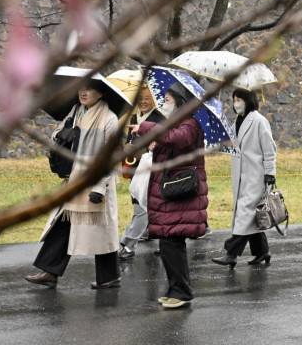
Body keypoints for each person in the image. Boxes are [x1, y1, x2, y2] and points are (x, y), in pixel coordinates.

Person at [26, 81, 122, 290]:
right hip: (74, 178)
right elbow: (56, 135)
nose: (83, 92)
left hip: (97, 182)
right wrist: (63, 134)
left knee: (102, 230)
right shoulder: (75, 112)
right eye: (81, 88)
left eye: (89, 89)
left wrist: (99, 188)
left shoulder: (110, 119)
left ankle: (109, 277)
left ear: (100, 93)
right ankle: (50, 271)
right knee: (63, 222)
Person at [133, 84, 209, 309]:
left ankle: (181, 292)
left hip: (180, 191)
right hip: (171, 190)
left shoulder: (190, 124)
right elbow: (170, 142)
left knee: (172, 242)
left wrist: (146, 127)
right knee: (169, 243)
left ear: (180, 103)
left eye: (167, 99)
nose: (164, 102)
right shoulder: (177, 123)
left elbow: (177, 139)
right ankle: (177, 289)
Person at [212, 88, 276, 268]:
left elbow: (269, 150)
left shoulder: (259, 121)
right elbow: (233, 146)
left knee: (245, 214)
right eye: (234, 99)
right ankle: (263, 252)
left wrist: (270, 173)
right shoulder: (237, 122)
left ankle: (231, 253)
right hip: (241, 176)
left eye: (239, 99)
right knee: (251, 215)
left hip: (255, 176)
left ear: (248, 101)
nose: (236, 102)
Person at [117, 87, 165, 260]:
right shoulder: (133, 118)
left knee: (142, 207)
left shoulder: (159, 119)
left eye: (147, 98)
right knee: (150, 206)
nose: (143, 101)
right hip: (136, 169)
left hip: (151, 170)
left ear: (154, 101)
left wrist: (139, 147)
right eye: (140, 98)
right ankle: (164, 241)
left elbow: (161, 143)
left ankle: (127, 245)